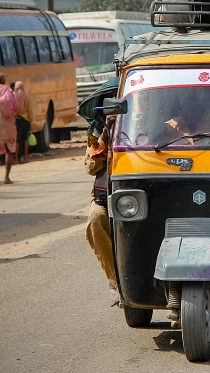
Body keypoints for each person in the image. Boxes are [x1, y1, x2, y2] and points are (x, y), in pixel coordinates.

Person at [84, 115, 119, 307]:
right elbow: (91, 167)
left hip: (146, 194)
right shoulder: (97, 131)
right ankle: (117, 280)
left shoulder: (159, 117)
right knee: (95, 219)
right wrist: (106, 133)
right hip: (106, 197)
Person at [13, 81, 31, 163]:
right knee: (26, 139)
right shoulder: (26, 96)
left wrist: (15, 115)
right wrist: (31, 120)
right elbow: (30, 110)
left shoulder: (13, 96)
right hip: (26, 120)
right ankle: (25, 157)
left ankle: (16, 159)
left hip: (17, 120)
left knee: (17, 140)